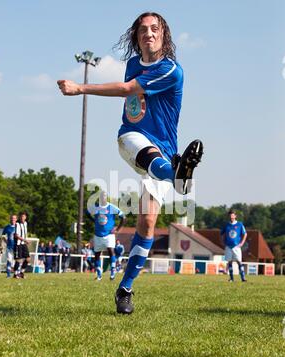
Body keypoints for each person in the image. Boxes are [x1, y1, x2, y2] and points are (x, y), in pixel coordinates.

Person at [58, 12, 204, 314]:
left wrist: (80, 88)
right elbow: (133, 102)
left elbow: (127, 91)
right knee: (143, 149)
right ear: (136, 36)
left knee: (147, 223)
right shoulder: (133, 65)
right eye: (142, 30)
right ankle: (176, 174)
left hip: (163, 150)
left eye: (154, 28)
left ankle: (124, 289)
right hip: (132, 138)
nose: (148, 33)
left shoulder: (171, 70)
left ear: (164, 34)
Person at [87, 191, 125, 281]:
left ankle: (112, 272)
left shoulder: (111, 207)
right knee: (97, 254)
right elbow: (87, 213)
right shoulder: (96, 207)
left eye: (104, 196)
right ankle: (99, 274)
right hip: (98, 235)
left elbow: (123, 217)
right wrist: (94, 220)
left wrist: (118, 229)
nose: (102, 198)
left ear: (106, 197)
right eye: (101, 197)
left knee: (111, 251)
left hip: (109, 235)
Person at [221, 210, 248, 283]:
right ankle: (231, 278)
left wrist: (242, 243)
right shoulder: (226, 225)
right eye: (230, 215)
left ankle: (243, 278)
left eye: (233, 215)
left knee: (239, 261)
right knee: (229, 262)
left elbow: (245, 234)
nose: (231, 217)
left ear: (235, 216)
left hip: (236, 247)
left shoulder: (239, 224)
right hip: (228, 247)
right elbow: (221, 234)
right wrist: (223, 242)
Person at [14, 212, 30, 279]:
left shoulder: (25, 223)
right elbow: (16, 235)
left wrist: (25, 240)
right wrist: (25, 240)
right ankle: (15, 274)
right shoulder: (17, 224)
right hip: (18, 244)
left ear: (25, 217)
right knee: (19, 260)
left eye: (23, 216)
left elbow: (25, 233)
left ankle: (21, 272)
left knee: (28, 259)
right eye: (21, 216)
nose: (22, 218)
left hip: (24, 244)